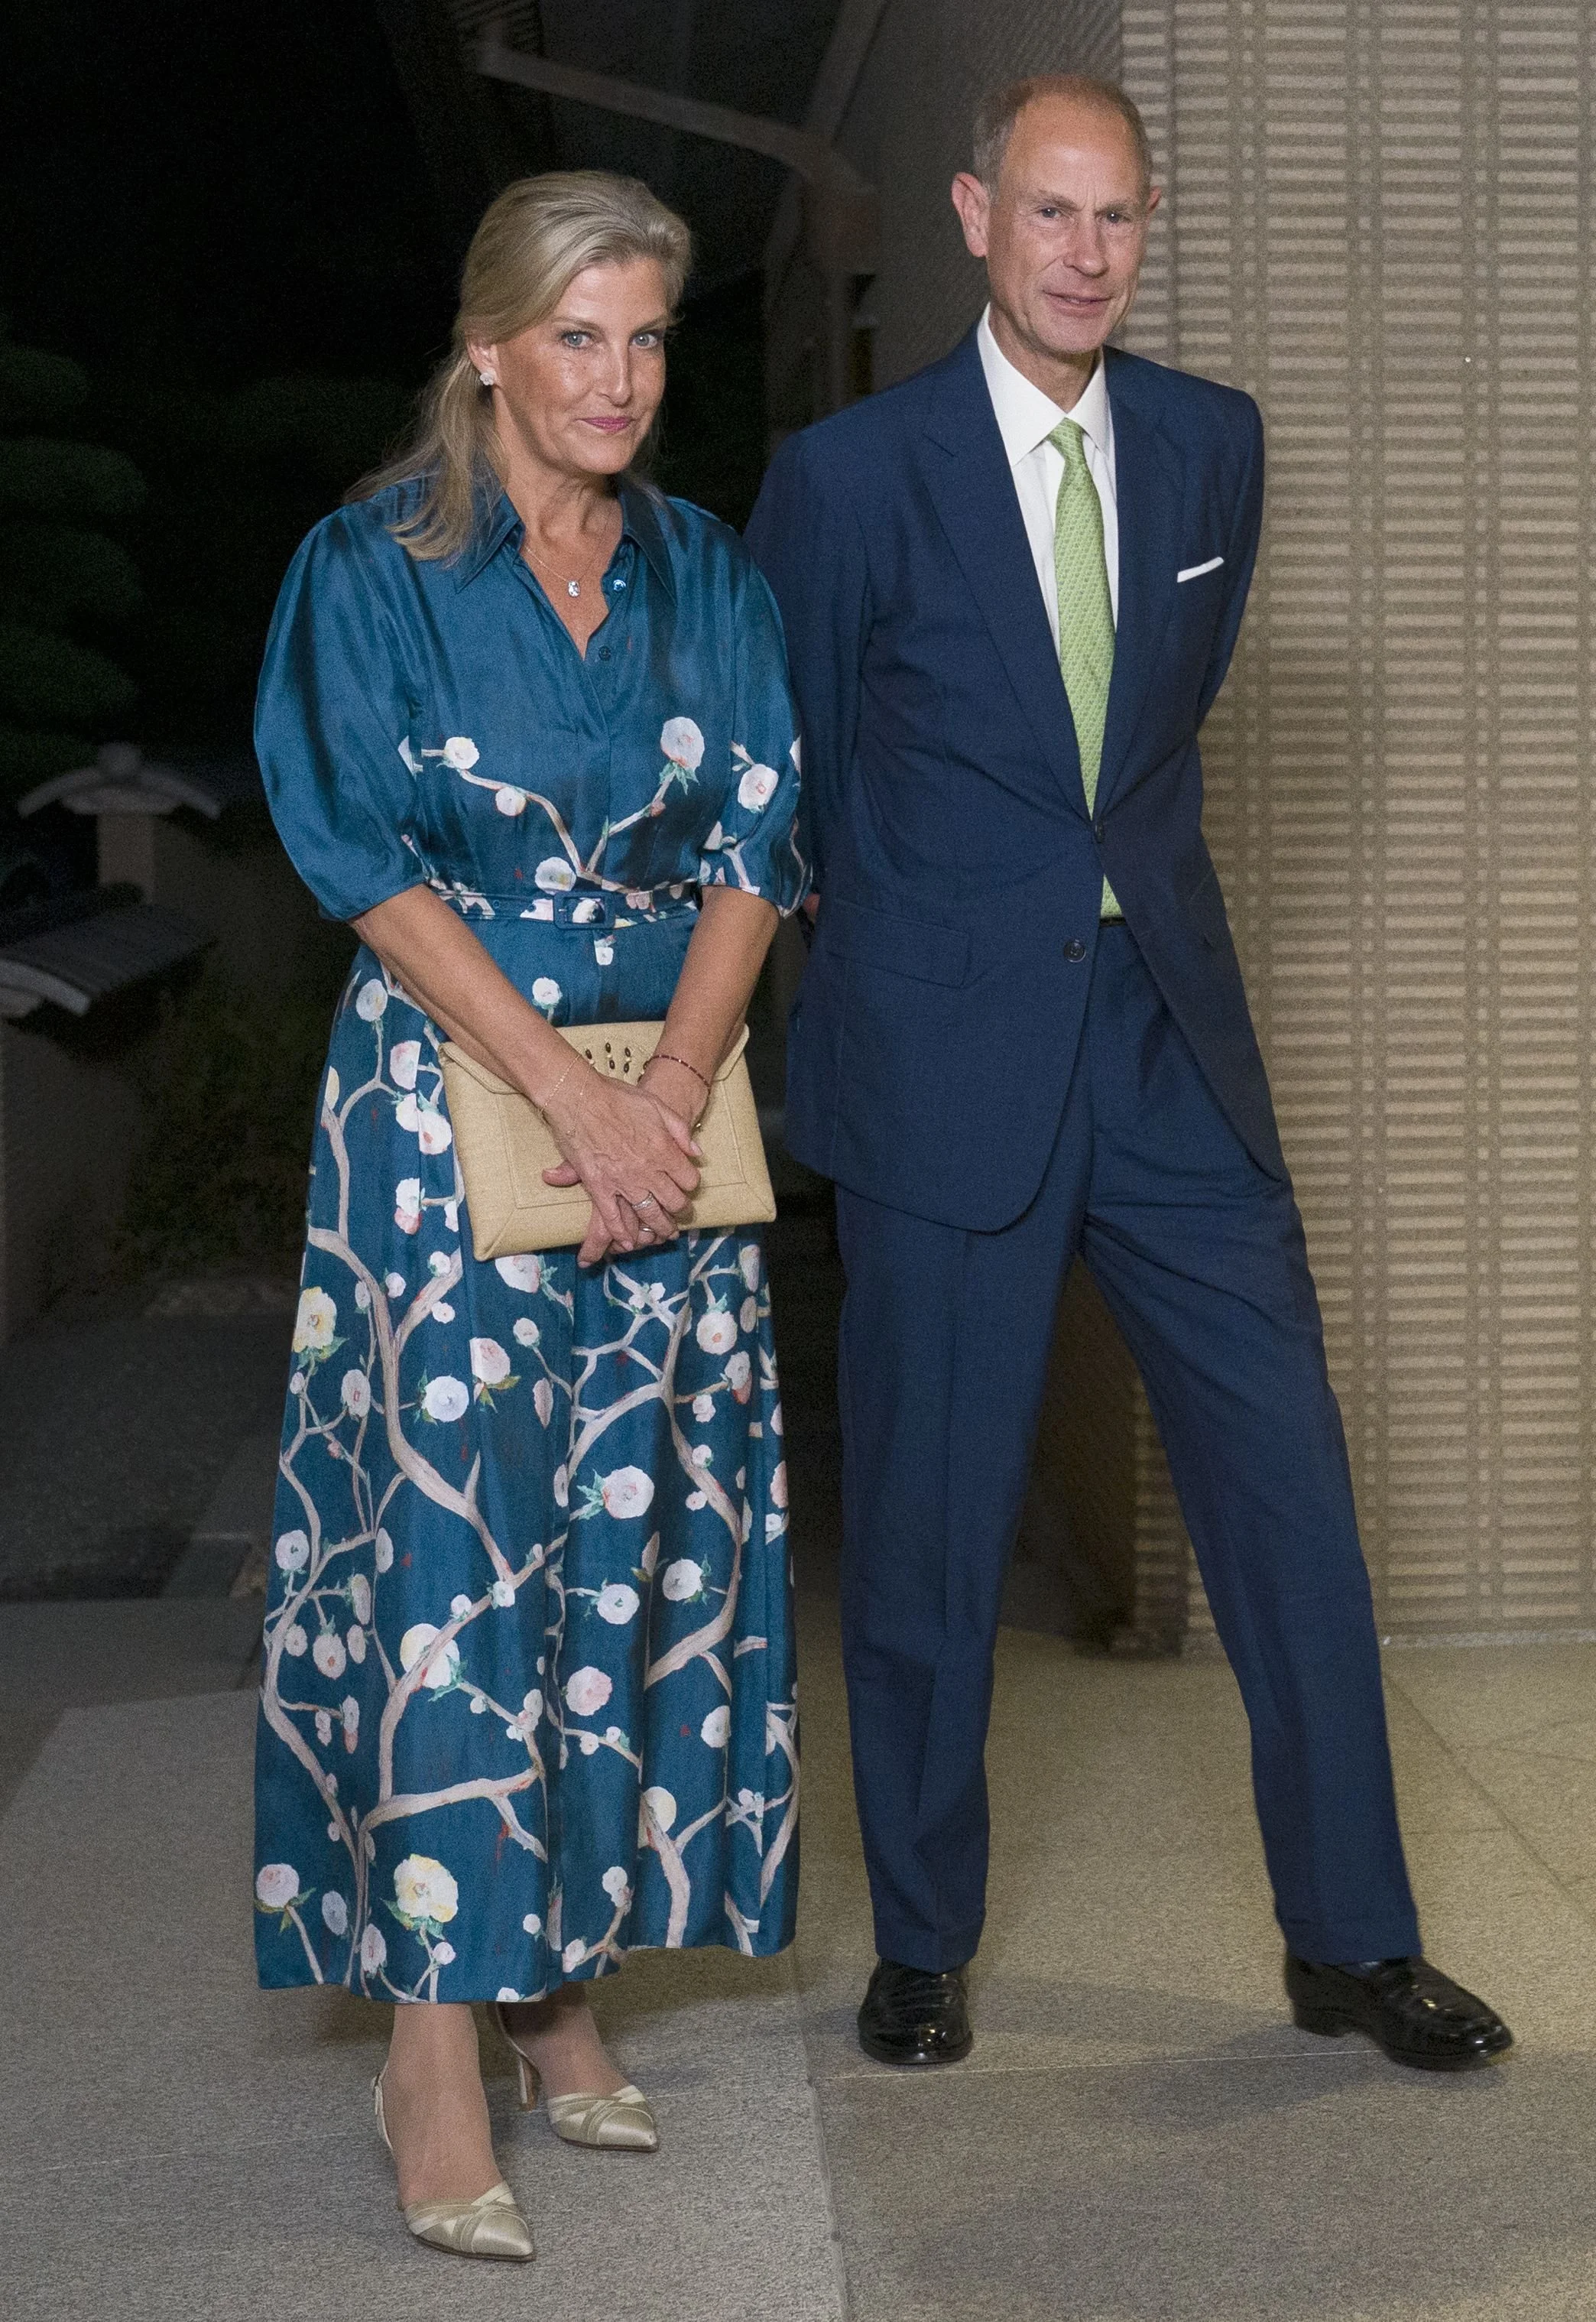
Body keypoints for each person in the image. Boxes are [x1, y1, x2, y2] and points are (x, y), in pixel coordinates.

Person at [747, 76, 1511, 2077]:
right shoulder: (851, 478)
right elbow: (797, 774)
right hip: (940, 1070)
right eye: (1052, 213)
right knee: (924, 1519)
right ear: (976, 214)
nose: (1088, 253)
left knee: (1289, 1495)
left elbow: (1142, 759)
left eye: (1122, 220)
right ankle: (921, 1941)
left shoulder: (1209, 450)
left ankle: (1352, 1940)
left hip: (1168, 1048)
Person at [252, 170, 806, 2262]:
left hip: (665, 1129)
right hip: (446, 1113)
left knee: (629, 1544)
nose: (620, 379)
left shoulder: (708, 573)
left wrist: (664, 1087)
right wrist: (570, 1088)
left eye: (650, 337)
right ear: (485, 346)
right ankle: (428, 2038)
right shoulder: (369, 569)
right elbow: (365, 860)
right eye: (578, 335)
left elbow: (762, 839)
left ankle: (557, 1973)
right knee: (454, 1574)